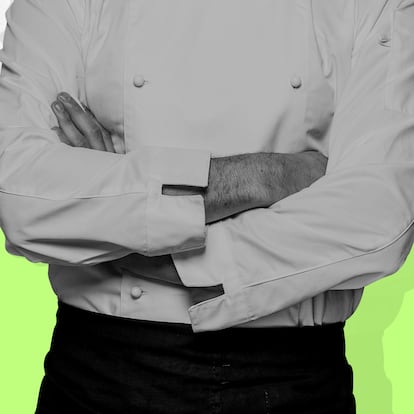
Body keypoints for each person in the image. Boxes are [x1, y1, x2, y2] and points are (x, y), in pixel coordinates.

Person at [0, 0, 413, 412]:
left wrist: (116, 212)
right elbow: (19, 196)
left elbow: (378, 215)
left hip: (296, 376)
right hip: (102, 373)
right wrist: (265, 176)